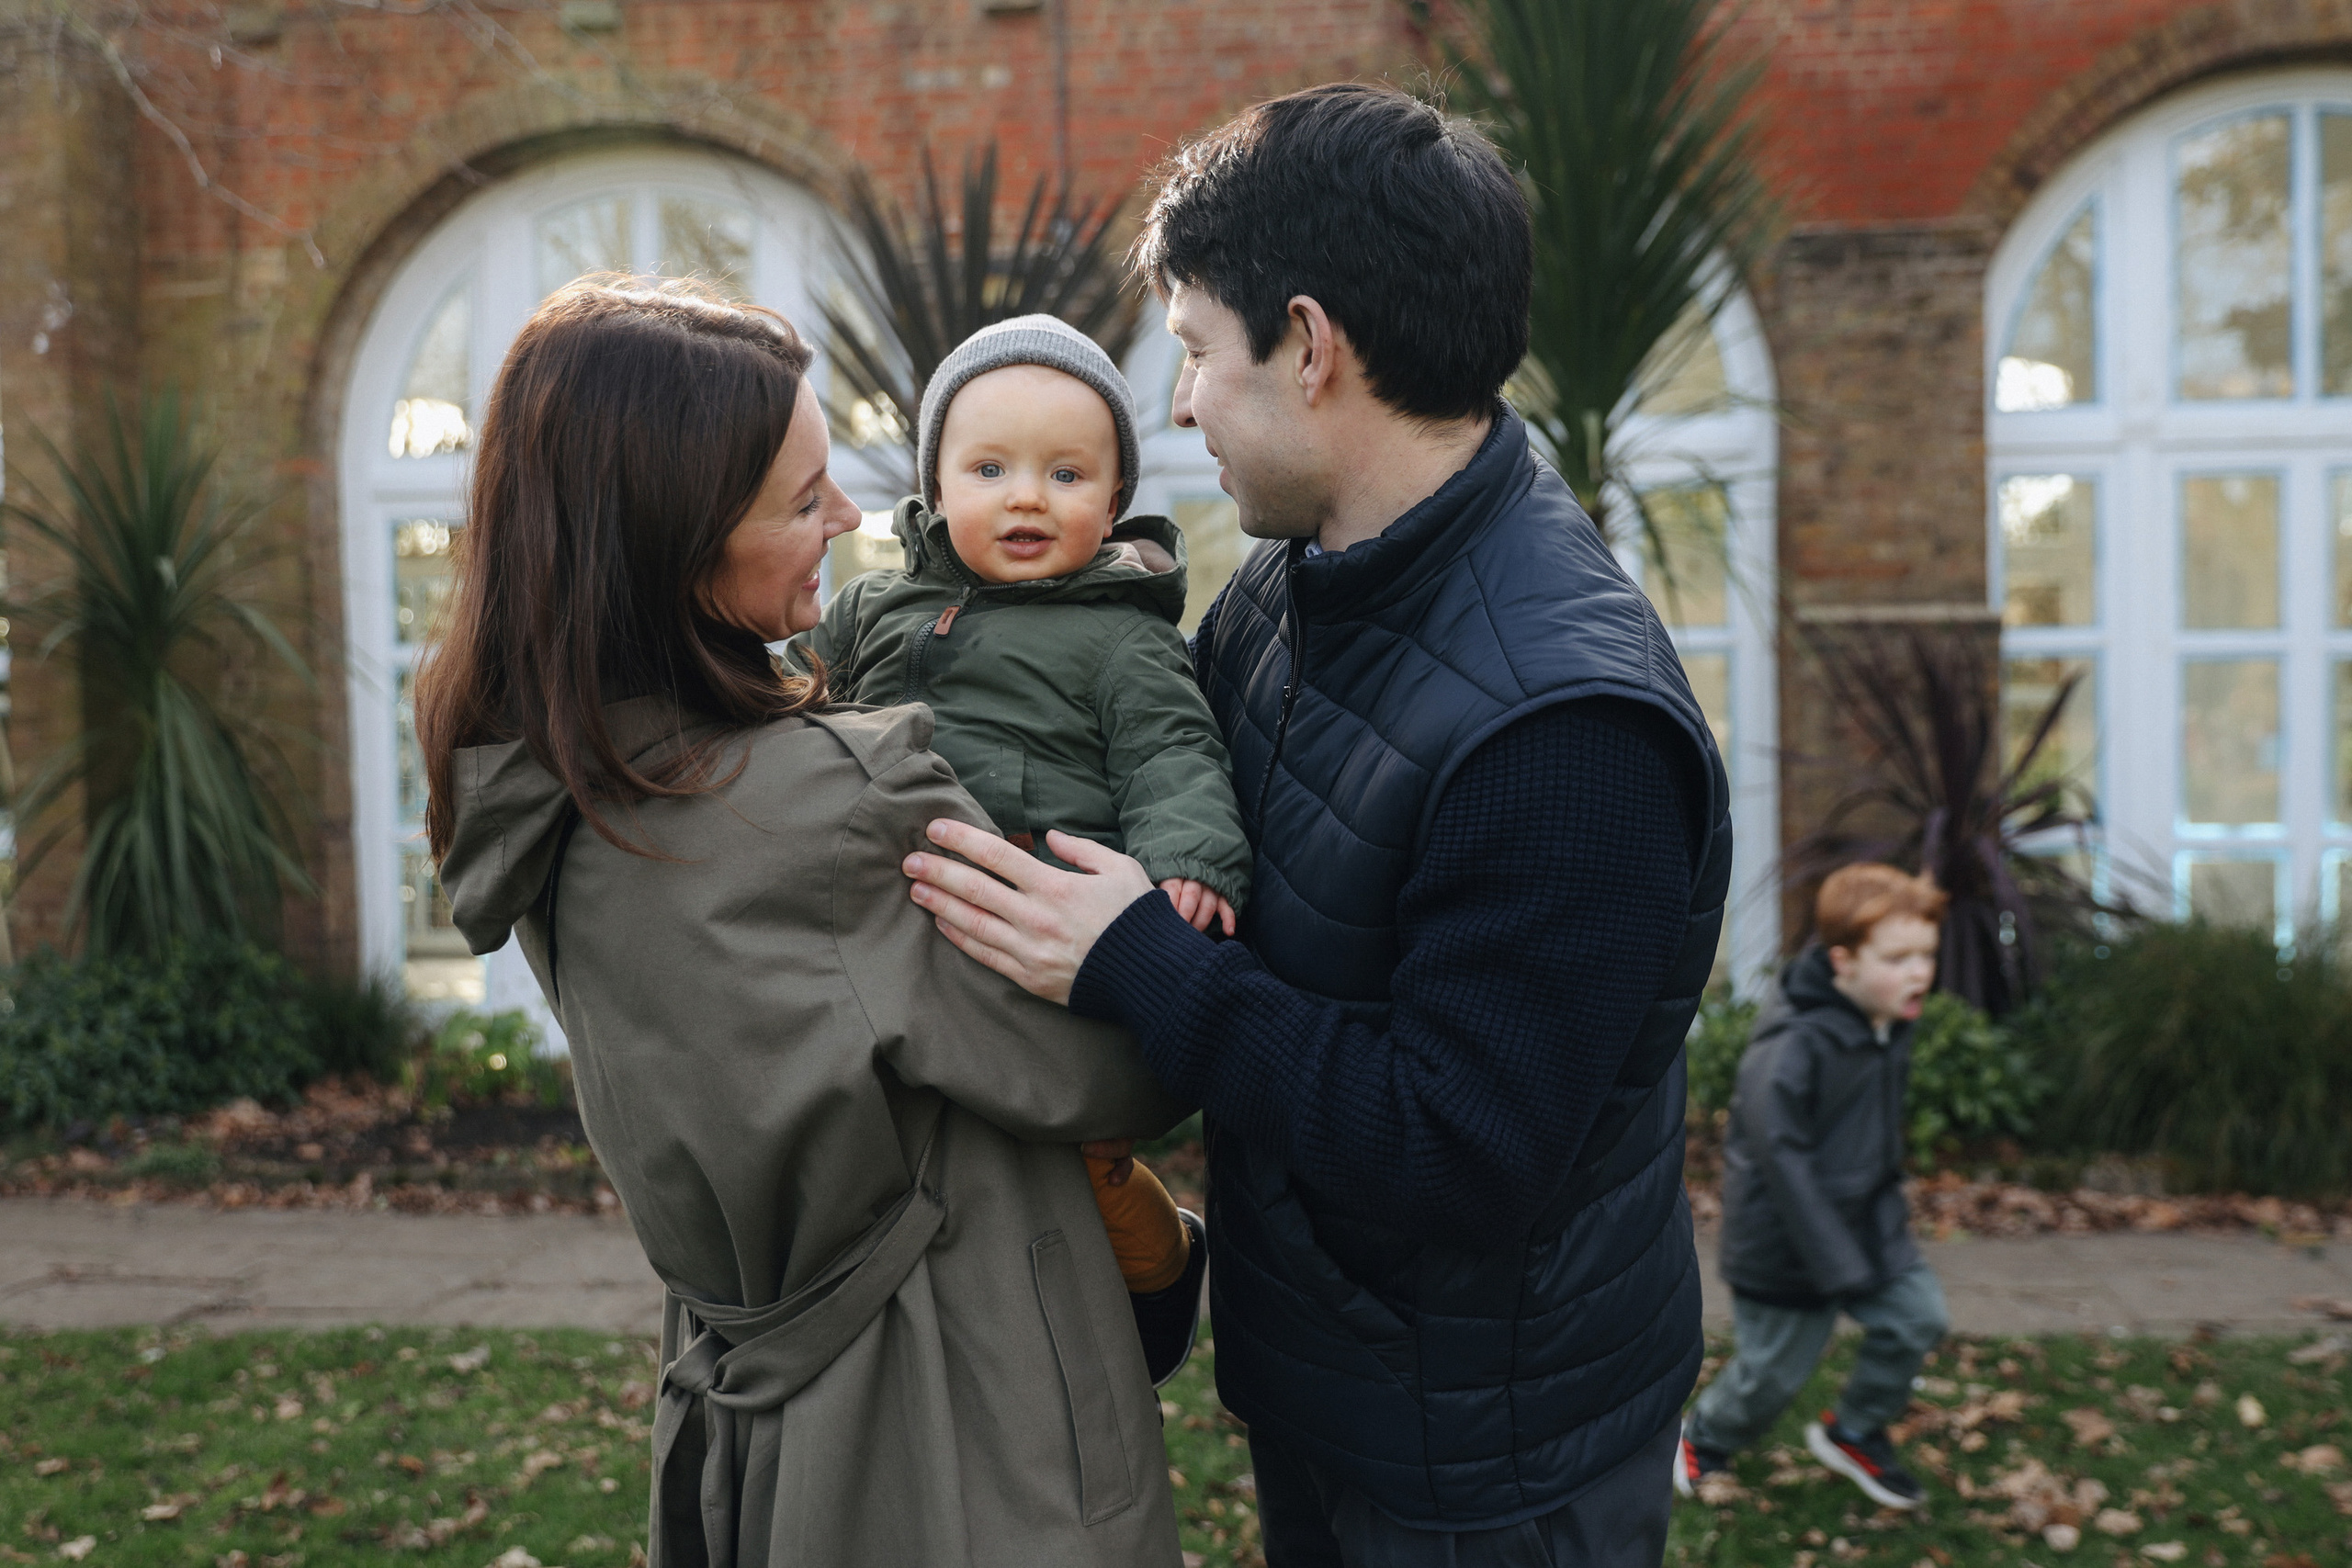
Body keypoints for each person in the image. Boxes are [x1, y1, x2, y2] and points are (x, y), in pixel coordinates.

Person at [903, 83, 1736, 1567]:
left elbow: (1463, 1144)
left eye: (1199, 353)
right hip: (1339, 1402)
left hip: (1492, 1475)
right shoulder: (1291, 589)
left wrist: (1138, 960)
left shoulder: (1562, 724)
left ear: (1310, 345)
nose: (1177, 404)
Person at [418, 278, 1190, 1568]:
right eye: (800, 498)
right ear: (672, 540)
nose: (849, 518)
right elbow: (1109, 1067)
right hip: (956, 1419)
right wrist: (1164, 929)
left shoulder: (546, 789)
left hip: (745, 1399)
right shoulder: (832, 802)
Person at [789, 316, 1251, 1329]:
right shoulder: (873, 608)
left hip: (1032, 935)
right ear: (937, 487)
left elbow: (1173, 756)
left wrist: (1190, 859)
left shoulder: (1118, 640)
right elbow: (787, 692)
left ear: (1116, 499)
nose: (1026, 496)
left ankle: (1157, 1265)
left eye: (1067, 475)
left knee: (1072, 1156)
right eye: (989, 468)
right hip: (891, 924)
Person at [1679, 863, 1952, 1511]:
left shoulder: (1885, 1018)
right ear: (1843, 961)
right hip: (1787, 1243)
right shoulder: (1793, 1045)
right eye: (1899, 957)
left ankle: (1855, 1429)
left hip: (1866, 1225)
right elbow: (1784, 1161)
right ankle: (1704, 1436)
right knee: (1772, 1374)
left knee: (1918, 1319)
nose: (1919, 972)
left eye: (1927, 955)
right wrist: (1836, 1263)